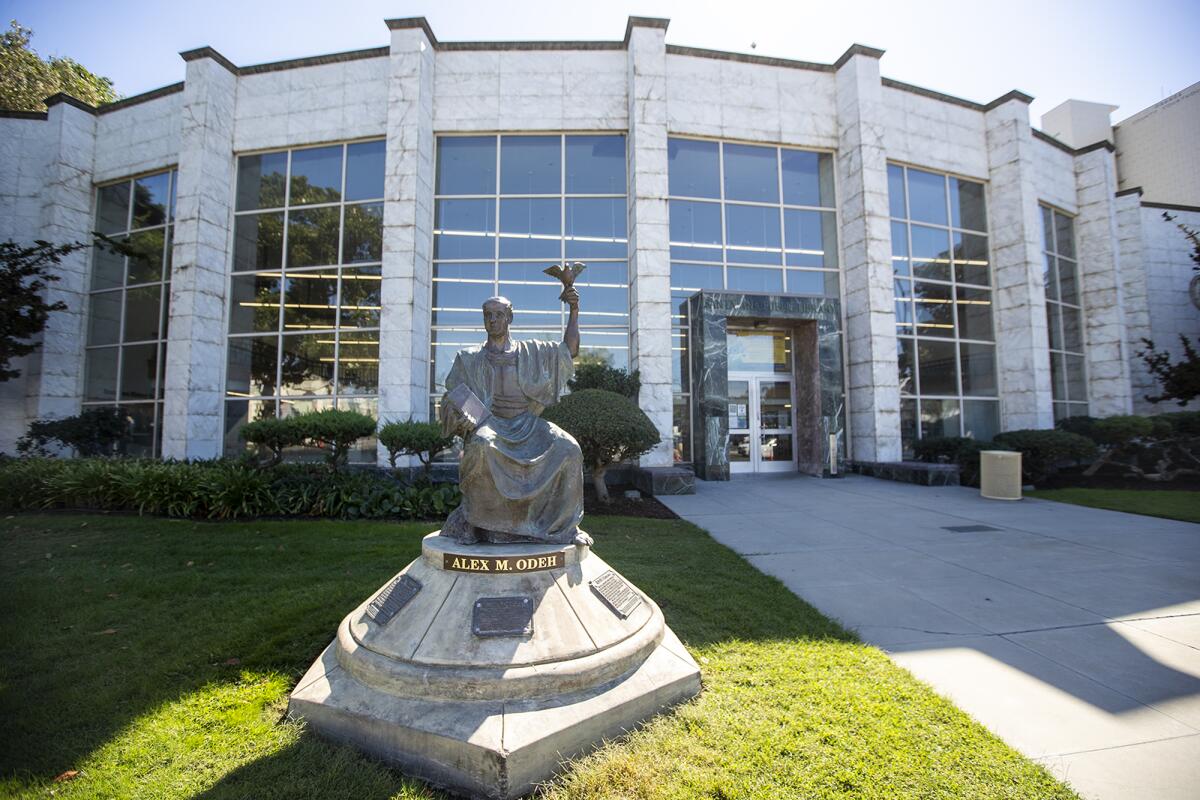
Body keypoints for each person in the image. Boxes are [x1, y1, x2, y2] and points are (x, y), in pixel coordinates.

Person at [438, 287, 590, 546]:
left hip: (527, 423)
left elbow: (570, 351)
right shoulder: (469, 358)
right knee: (482, 445)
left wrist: (574, 310)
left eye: (498, 314)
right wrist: (462, 415)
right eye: (488, 315)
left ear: (510, 317)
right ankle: (482, 524)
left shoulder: (532, 351)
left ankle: (561, 527)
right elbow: (453, 395)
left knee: (569, 449)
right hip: (490, 424)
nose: (493, 320)